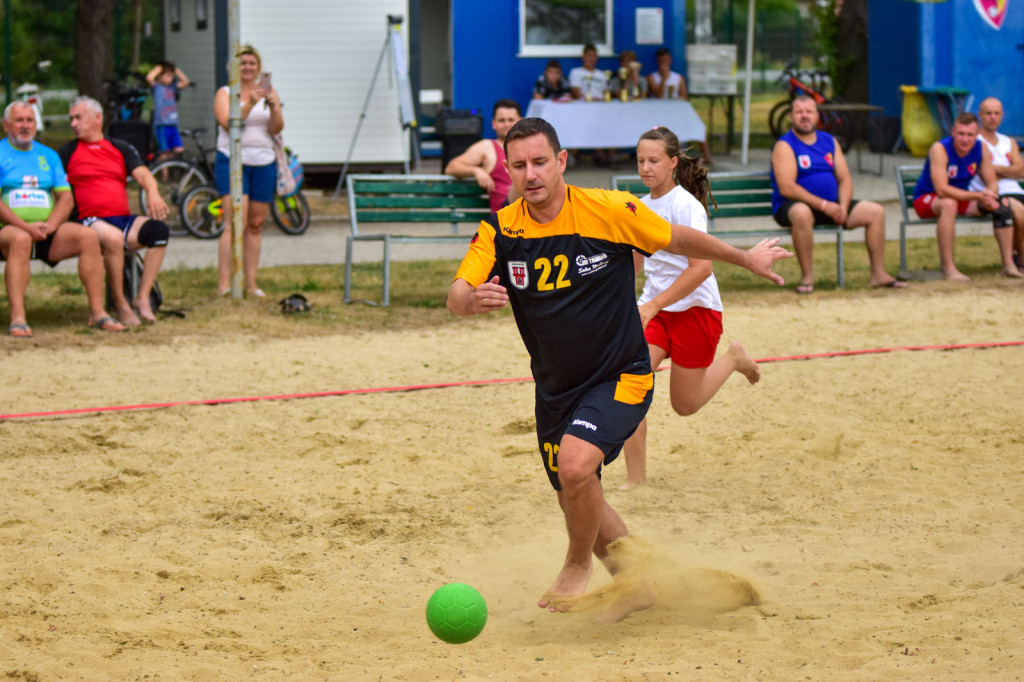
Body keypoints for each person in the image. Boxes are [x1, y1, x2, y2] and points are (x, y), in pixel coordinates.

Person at [446, 117, 791, 622]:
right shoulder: (500, 229)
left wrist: (744, 257)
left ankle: (576, 563)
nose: (531, 174)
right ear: (509, 169)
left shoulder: (608, 209)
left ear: (562, 161)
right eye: (519, 165)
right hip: (555, 388)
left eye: (540, 161)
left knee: (575, 468)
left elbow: (680, 239)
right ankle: (635, 584)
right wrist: (469, 299)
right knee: (576, 495)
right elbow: (457, 292)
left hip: (621, 373)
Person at [621, 127, 760, 490]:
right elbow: (633, 265)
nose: (645, 168)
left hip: (696, 309)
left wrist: (653, 305)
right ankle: (636, 479)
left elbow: (702, 269)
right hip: (654, 310)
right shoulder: (638, 206)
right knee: (628, 385)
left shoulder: (686, 207)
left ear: (672, 163)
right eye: (640, 160)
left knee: (685, 405)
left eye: (653, 160)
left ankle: (733, 358)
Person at [0, 101, 124, 335]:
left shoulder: (48, 155)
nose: (25, 126)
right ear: (6, 125)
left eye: (30, 120)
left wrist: (50, 226)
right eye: (19, 121)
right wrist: (25, 227)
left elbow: (66, 198)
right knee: (20, 239)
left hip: (46, 230)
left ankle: (98, 313)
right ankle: (18, 317)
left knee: (88, 236)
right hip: (8, 230)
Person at [771, 95, 908, 293]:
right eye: (799, 112)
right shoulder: (785, 145)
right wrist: (824, 205)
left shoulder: (829, 141)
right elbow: (787, 187)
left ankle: (878, 274)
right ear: (791, 116)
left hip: (832, 205)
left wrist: (843, 206)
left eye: (809, 111)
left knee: (875, 211)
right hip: (792, 206)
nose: (804, 116)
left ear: (817, 115)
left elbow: (844, 179)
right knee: (802, 213)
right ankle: (807, 278)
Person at [59, 96, 171, 326]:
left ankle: (142, 297)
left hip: (121, 218)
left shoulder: (120, 147)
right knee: (114, 237)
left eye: (78, 118)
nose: (73, 124)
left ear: (97, 118)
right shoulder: (67, 152)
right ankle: (121, 304)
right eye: (71, 119)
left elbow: (143, 173)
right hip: (88, 219)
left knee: (158, 231)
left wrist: (153, 193)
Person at [913, 111, 1020, 280]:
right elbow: (941, 190)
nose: (965, 139)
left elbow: (992, 181)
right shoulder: (940, 149)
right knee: (949, 204)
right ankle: (949, 269)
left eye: (970, 135)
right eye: (961, 134)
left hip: (961, 198)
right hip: (928, 199)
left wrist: (989, 194)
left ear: (977, 134)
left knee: (1002, 204)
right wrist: (978, 196)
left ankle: (1009, 265)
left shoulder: (981, 148)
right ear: (953, 132)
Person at [214, 44, 284, 297]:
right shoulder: (225, 92)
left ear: (259, 67)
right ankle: (225, 284)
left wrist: (274, 107)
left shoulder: (268, 90)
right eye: (243, 63)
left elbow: (276, 128)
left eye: (252, 63)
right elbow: (227, 123)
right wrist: (249, 104)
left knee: (255, 224)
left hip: (264, 161)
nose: (247, 67)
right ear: (235, 67)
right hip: (233, 161)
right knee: (236, 222)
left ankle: (251, 284)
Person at [969, 97, 1024, 271]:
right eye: (988, 113)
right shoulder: (973, 140)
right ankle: (1022, 259)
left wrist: (994, 168)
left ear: (1002, 115)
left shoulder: (1009, 141)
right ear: (979, 115)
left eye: (996, 113)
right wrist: (1009, 169)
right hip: (991, 193)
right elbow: (981, 173)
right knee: (1018, 212)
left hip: (1017, 191)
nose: (992, 117)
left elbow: (1021, 171)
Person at [444, 100, 521, 212]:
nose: (506, 124)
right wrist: (476, 170)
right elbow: (451, 167)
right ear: (493, 124)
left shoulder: (531, 147)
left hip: (532, 215)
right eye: (501, 120)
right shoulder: (487, 147)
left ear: (520, 121)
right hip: (504, 215)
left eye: (511, 120)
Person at [646, 47, 713, 165]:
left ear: (670, 60)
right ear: (658, 61)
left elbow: (684, 96)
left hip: (676, 110)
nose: (664, 63)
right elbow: (658, 95)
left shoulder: (678, 77)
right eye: (662, 61)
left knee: (699, 125)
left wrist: (676, 99)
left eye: (666, 60)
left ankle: (707, 155)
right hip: (659, 111)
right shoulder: (652, 77)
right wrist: (664, 79)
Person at [145, 60, 190, 162]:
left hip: (173, 123)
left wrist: (175, 70)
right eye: (168, 76)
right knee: (164, 152)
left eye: (172, 76)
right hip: (162, 124)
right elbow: (149, 78)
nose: (170, 78)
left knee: (179, 149)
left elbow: (185, 82)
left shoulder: (172, 87)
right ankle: (163, 170)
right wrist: (160, 67)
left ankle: (165, 164)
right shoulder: (157, 87)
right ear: (160, 76)